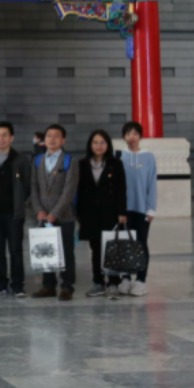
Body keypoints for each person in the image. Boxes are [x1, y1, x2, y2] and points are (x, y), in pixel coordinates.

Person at [77, 129, 129, 299]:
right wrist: (79, 213)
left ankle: (113, 283)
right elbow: (79, 190)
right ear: (90, 145)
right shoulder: (82, 164)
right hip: (89, 213)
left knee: (111, 248)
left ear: (108, 144)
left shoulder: (115, 163)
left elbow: (121, 189)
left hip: (110, 213)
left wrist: (122, 212)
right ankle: (98, 283)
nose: (99, 146)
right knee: (96, 250)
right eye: (95, 142)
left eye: (102, 142)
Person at [0, 122, 31, 299]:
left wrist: (19, 202)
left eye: (5, 135)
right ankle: (1, 283)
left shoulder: (20, 159)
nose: (1, 138)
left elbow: (27, 185)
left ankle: (18, 285)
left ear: (12, 138)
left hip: (14, 213)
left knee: (15, 250)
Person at [30, 124, 79, 302]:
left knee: (66, 251)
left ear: (63, 140)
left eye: (56, 136)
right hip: (43, 215)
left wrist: (55, 213)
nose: (52, 139)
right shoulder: (37, 160)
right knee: (45, 250)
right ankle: (48, 286)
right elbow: (33, 186)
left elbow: (69, 190)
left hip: (64, 215)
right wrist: (38, 209)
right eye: (49, 135)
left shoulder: (70, 160)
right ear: (44, 139)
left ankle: (67, 286)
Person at [120, 121, 157, 297]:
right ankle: (125, 278)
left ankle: (141, 281)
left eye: (135, 133)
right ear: (124, 137)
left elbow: (152, 184)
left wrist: (151, 209)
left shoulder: (149, 157)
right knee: (124, 244)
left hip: (142, 209)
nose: (132, 137)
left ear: (140, 136)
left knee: (141, 244)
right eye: (128, 133)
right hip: (123, 210)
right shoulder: (119, 156)